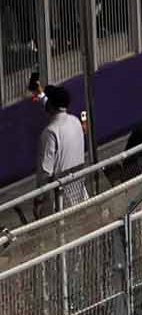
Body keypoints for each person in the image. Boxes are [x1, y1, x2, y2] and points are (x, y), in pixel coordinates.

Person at [35, 84, 88, 217]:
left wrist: (39, 199)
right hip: (80, 194)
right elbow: (53, 109)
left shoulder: (50, 132)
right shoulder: (75, 121)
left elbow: (45, 172)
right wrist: (41, 94)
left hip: (60, 204)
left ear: (52, 105)